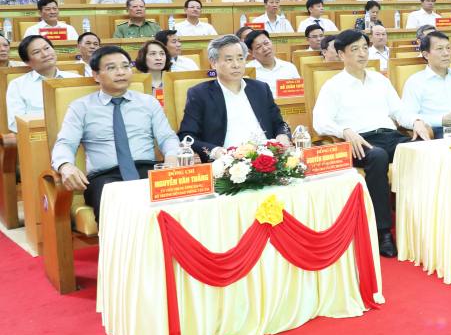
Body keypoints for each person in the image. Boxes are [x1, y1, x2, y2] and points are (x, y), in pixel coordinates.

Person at [312, 29, 431, 257]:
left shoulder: (380, 80)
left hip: (390, 136)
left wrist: (416, 121)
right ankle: (383, 232)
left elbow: (399, 111)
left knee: (424, 149)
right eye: (355, 49)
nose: (362, 54)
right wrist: (344, 130)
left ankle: (424, 221)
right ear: (341, 54)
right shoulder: (333, 86)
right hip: (361, 142)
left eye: (365, 48)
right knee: (377, 156)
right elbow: (320, 123)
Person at [49, 45, 179, 218]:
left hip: (148, 170)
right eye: (111, 68)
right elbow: (65, 143)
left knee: (180, 205)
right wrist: (65, 165)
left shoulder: (148, 102)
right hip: (106, 177)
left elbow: (167, 136)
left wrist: (171, 157)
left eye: (125, 66)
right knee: (118, 212)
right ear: (96, 75)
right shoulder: (81, 107)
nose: (121, 72)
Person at [177, 34, 290, 164]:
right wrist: (215, 151)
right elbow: (186, 136)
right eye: (229, 60)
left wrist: (282, 136)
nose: (236, 65)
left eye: (240, 58)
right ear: (214, 63)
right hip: (228, 164)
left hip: (268, 161)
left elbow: (280, 124)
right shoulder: (200, 94)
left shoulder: (260, 89)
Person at [6, 36, 77, 132]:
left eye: (47, 48)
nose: (45, 54)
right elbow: (16, 123)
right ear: (27, 62)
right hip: (38, 135)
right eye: (37, 52)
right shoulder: (17, 85)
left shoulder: (77, 79)